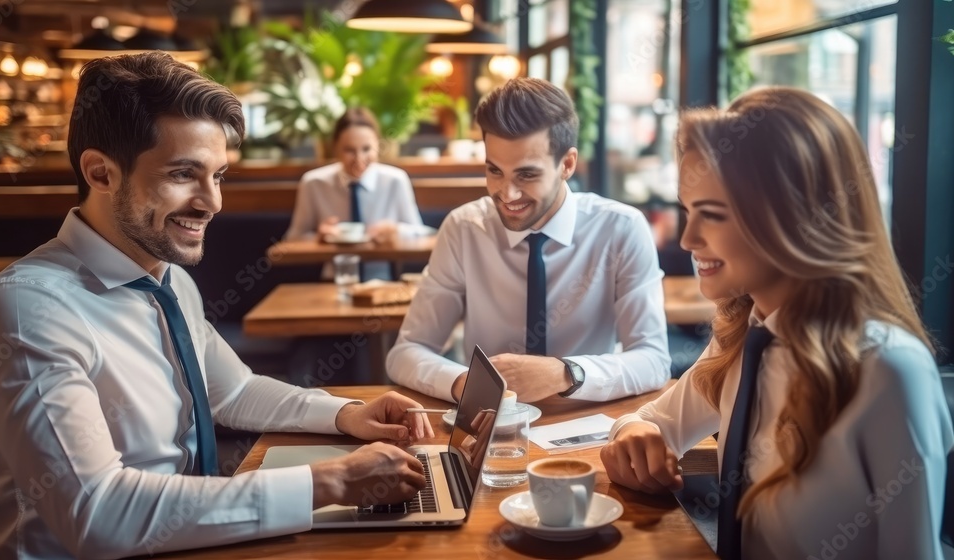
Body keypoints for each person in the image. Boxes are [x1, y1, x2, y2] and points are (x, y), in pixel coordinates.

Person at [0, 52, 435, 560]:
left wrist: (349, 415)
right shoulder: (26, 310)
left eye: (219, 175)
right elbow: (96, 514)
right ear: (100, 173)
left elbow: (233, 391)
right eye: (184, 174)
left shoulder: (170, 279)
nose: (212, 202)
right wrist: (328, 483)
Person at [599, 87, 954, 559]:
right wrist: (631, 436)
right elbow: (650, 421)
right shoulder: (746, 335)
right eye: (688, 211)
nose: (687, 239)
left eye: (713, 215)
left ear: (793, 217)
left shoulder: (889, 371)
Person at [387, 77, 671, 403]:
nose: (507, 194)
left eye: (526, 174)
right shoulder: (464, 228)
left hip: (586, 421)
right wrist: (465, 383)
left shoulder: (621, 228)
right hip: (489, 423)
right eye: (494, 171)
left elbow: (653, 359)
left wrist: (565, 373)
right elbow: (406, 352)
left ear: (567, 164)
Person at [285, 107, 425, 279]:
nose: (359, 159)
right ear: (335, 148)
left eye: (367, 149)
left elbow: (420, 233)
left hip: (384, 280)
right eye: (349, 150)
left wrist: (396, 230)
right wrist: (319, 236)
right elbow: (293, 240)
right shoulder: (314, 183)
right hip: (332, 280)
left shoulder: (396, 180)